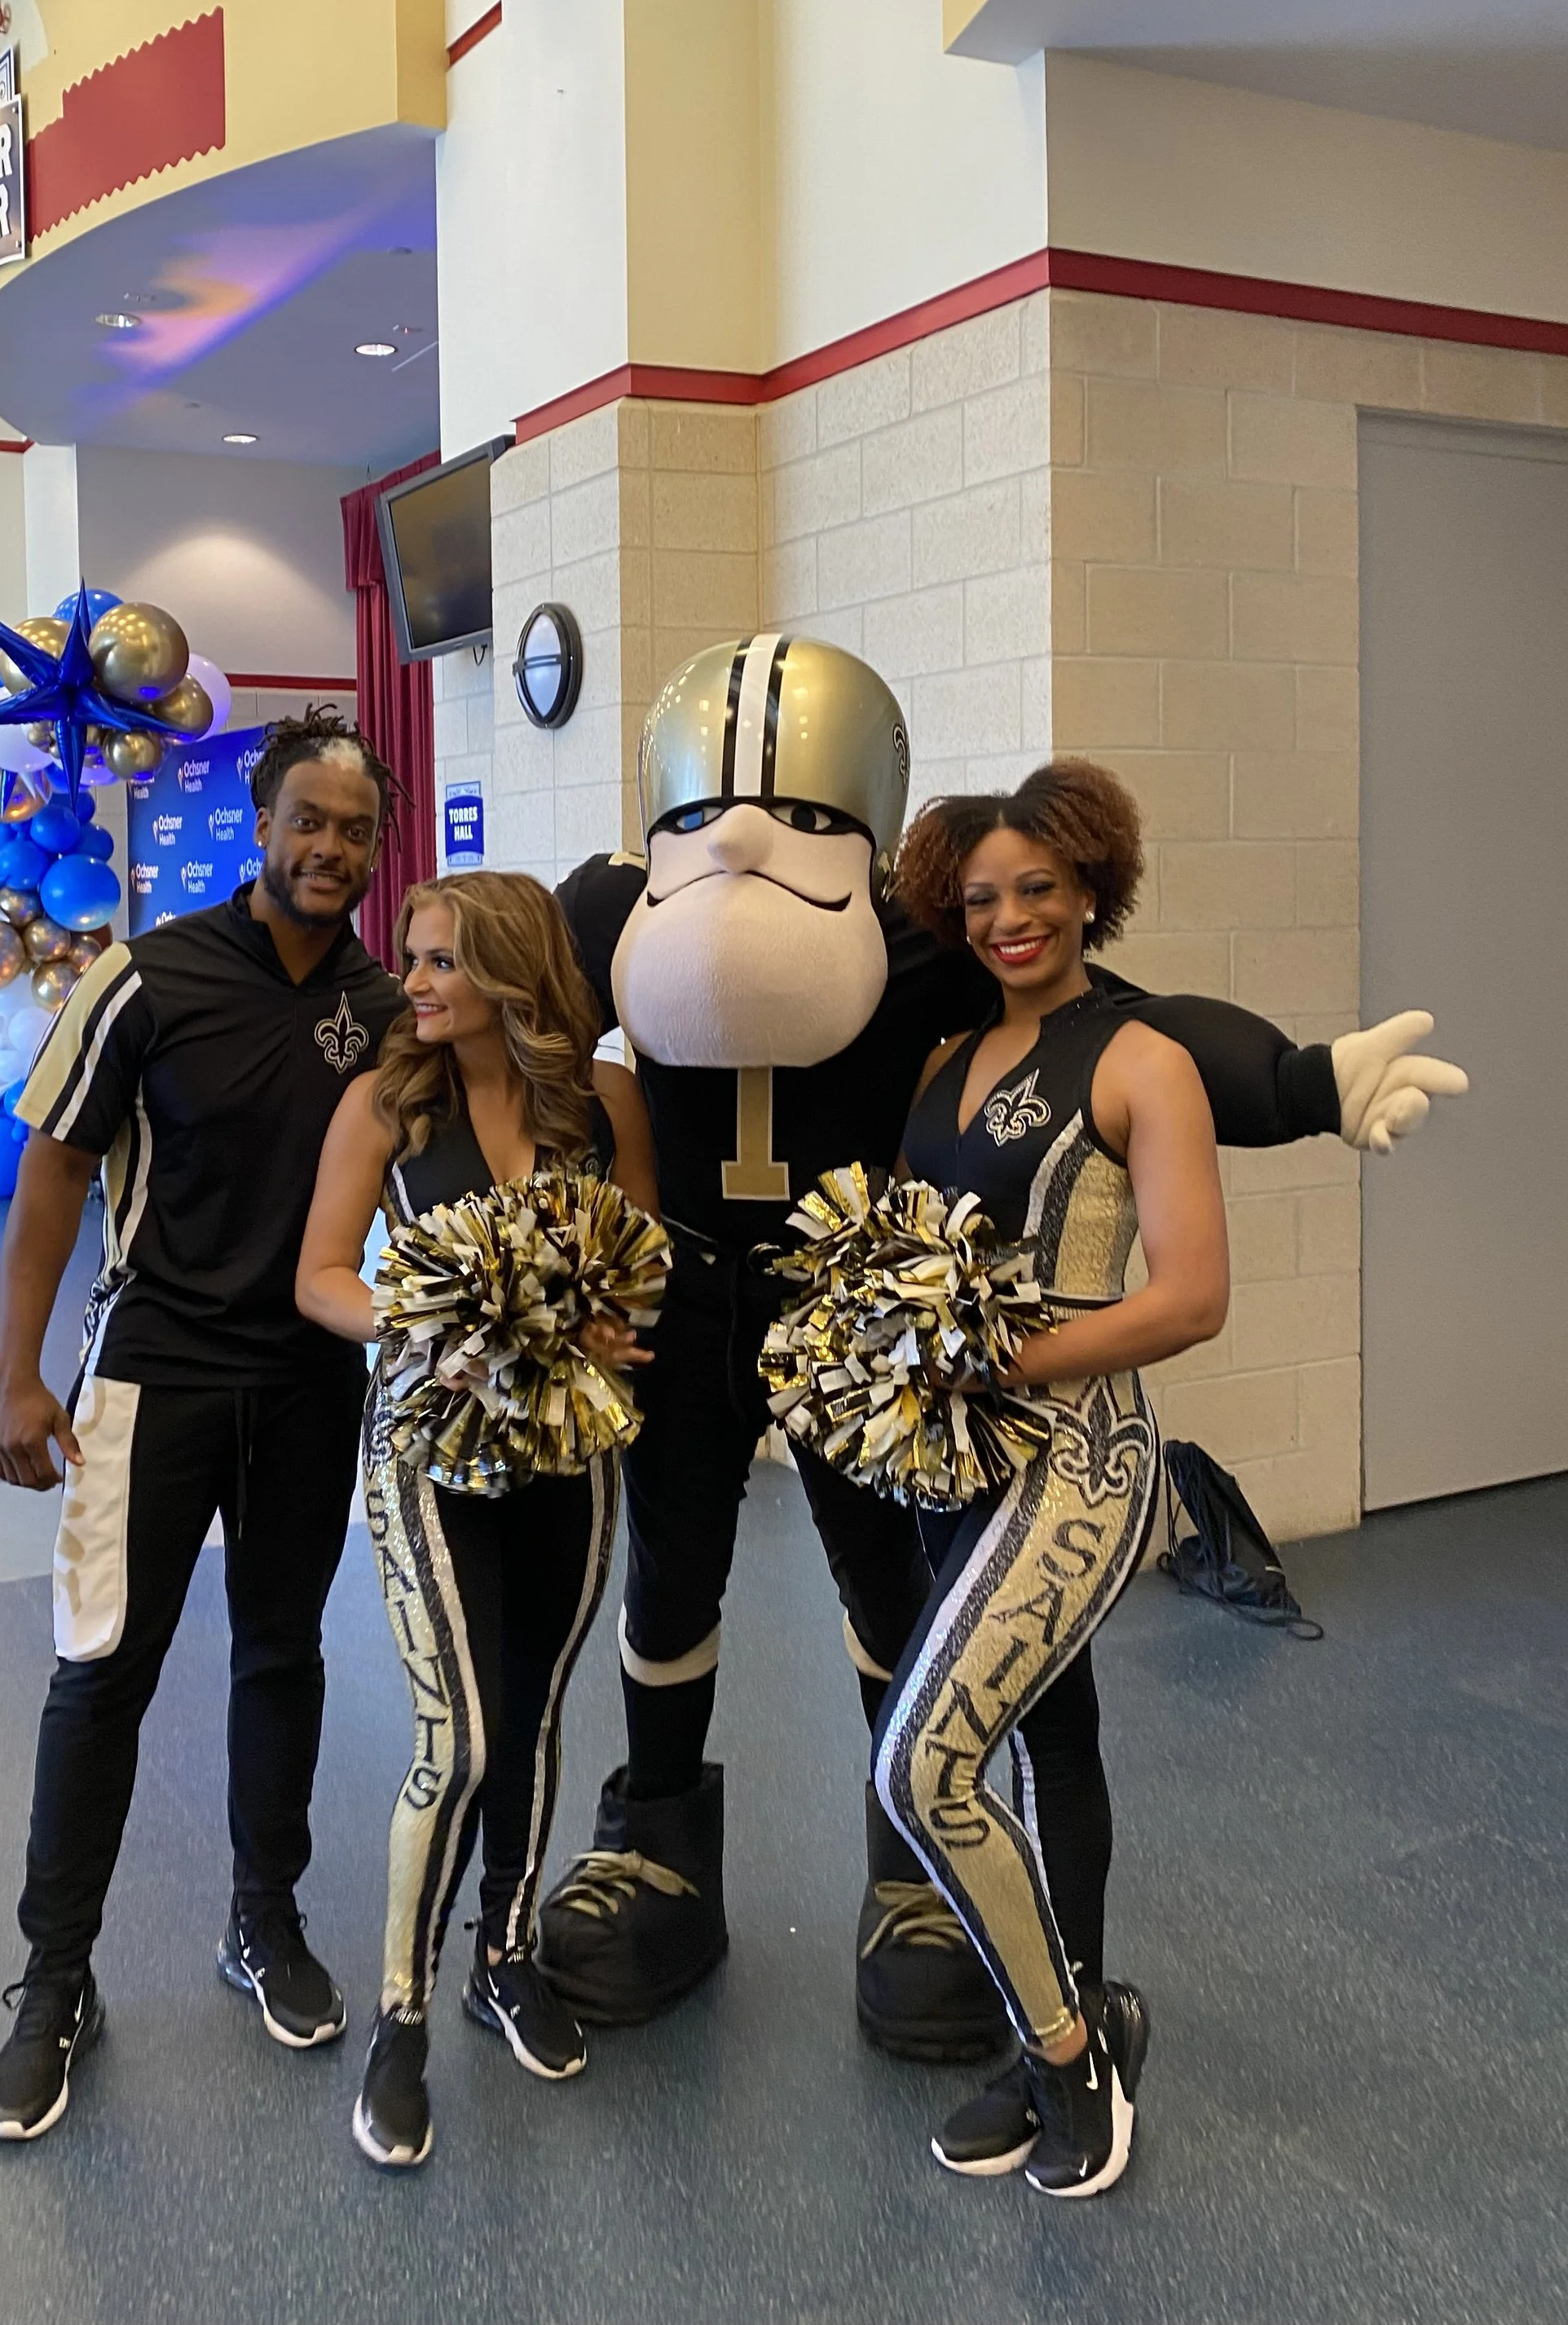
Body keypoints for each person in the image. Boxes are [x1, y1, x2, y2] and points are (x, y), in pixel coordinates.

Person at [536, 632, 1465, 2057]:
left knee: (887, 1574)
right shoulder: (614, 909)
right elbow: (492, 1010)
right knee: (667, 1578)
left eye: (797, 814)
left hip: (858, 1301)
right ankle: (654, 1827)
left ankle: (912, 1865)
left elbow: (1122, 1027)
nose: (745, 840)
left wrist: (1299, 1080)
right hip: (689, 1296)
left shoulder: (921, 943)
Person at [0, 709, 404, 2143]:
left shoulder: (382, 1007)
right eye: (308, 820)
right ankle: (54, 1980)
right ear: (264, 825)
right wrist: (14, 1375)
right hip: (151, 1373)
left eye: (354, 828)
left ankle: (262, 1917)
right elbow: (51, 1172)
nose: (330, 847)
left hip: (307, 1387)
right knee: (102, 1670)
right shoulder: (143, 976)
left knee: (283, 1650)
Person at [874, 760, 1227, 2198]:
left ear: (1092, 886)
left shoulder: (1142, 1055)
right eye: (982, 899)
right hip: (947, 1460)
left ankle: (1067, 2047)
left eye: (1037, 888)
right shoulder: (946, 1062)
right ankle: (1077, 2020)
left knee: (921, 1764)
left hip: (1077, 1455)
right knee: (1049, 1733)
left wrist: (1003, 1364)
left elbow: (1193, 1295)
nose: (1011, 918)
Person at [296, 871, 660, 2172]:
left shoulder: (601, 1103)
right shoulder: (386, 1104)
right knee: (454, 1738)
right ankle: (399, 2020)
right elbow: (322, 1275)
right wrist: (433, 1323)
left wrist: (618, 1324)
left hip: (571, 1448)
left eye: (443, 959)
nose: (419, 982)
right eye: (413, 957)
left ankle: (504, 1954)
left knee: (536, 1709)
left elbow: (642, 1260)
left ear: (513, 971)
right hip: (427, 1447)